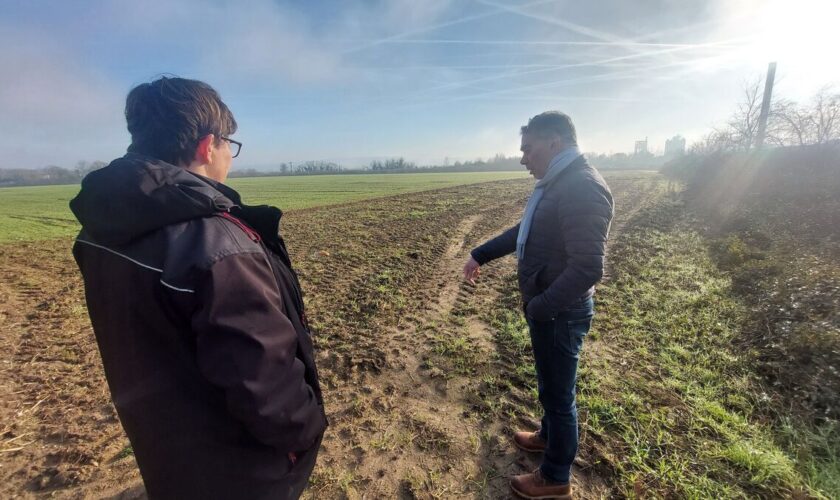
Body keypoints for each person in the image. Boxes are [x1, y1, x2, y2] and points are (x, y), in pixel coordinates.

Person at [70, 77, 326, 499]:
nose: (230, 156)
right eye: (230, 145)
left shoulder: (103, 228)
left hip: (167, 451)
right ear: (208, 146)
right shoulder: (219, 247)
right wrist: (306, 431)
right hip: (241, 472)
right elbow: (263, 381)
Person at [463, 111, 613, 499]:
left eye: (527, 149)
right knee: (551, 387)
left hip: (560, 312)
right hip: (550, 310)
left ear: (554, 144)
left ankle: (555, 477)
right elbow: (524, 232)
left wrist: (541, 306)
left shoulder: (581, 186)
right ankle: (548, 436)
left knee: (561, 396)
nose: (522, 158)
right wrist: (480, 253)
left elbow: (588, 267)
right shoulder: (557, 182)